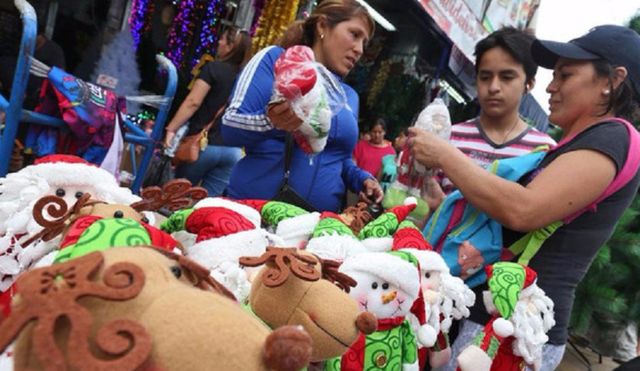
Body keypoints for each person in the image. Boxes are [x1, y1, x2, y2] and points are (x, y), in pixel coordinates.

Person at [409, 25, 640, 371]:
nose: (551, 85)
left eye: (565, 74)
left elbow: (524, 210)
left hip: (516, 333)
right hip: (500, 322)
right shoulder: (591, 141)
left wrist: (446, 155)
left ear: (613, 79)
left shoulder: (615, 137)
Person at [221, 0, 383, 212]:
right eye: (354, 34)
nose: (360, 49)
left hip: (313, 229)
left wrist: (361, 179)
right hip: (252, 215)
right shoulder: (275, 60)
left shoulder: (348, 96)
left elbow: (336, 158)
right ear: (322, 26)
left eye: (365, 42)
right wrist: (271, 121)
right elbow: (230, 126)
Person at [437, 27, 556, 196]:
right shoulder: (448, 138)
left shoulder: (544, 152)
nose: (493, 87)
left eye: (507, 77)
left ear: (528, 84)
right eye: (485, 77)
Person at [164, 27, 252, 196]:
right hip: (233, 152)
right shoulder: (247, 78)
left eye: (223, 39)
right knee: (204, 205)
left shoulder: (213, 69)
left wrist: (171, 129)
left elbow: (193, 102)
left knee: (176, 199)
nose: (219, 42)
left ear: (231, 46)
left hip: (203, 146)